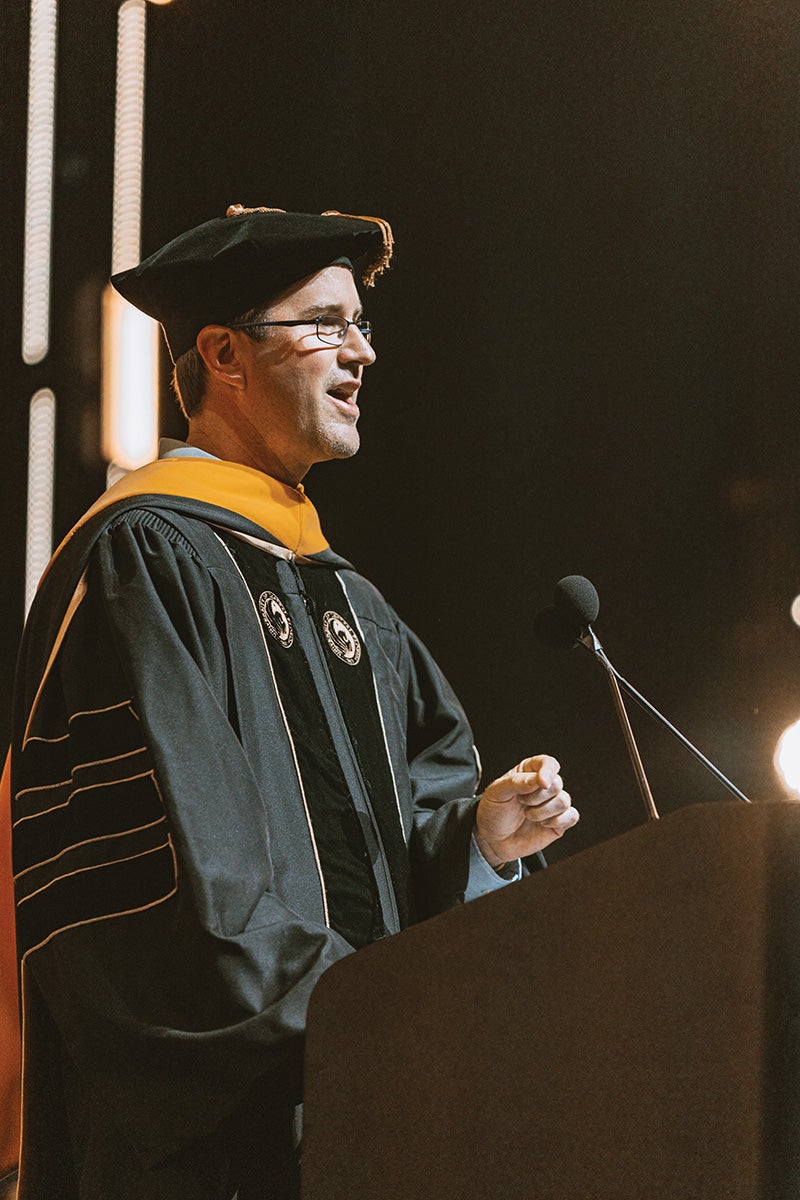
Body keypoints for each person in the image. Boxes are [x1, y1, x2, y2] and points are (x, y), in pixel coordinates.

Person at [8, 206, 579, 1200]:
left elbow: (404, 833)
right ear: (223, 353)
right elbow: (169, 880)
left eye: (361, 324)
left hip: (371, 1116)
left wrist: (474, 844)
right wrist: (356, 1015)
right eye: (323, 323)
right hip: (215, 1149)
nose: (359, 351)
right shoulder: (145, 558)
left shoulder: (354, 605)